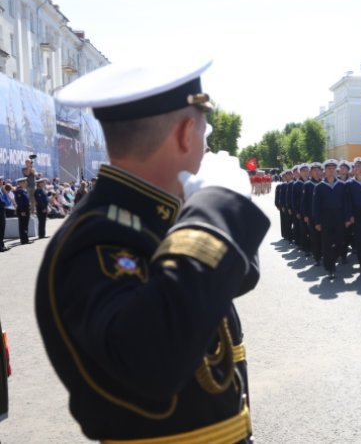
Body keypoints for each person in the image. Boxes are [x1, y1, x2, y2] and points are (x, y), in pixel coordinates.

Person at [35, 58, 270, 441]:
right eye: (204, 132)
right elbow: (154, 357)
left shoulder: (156, 216)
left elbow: (236, 275)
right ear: (184, 133)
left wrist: (215, 209)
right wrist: (218, 204)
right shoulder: (97, 237)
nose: (207, 146)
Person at [313, 160, 351, 278]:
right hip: (326, 219)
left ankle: (332, 260)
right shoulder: (319, 187)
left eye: (333, 168)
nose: (331, 170)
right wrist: (317, 221)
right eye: (328, 168)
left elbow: (346, 203)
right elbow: (316, 206)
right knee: (327, 244)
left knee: (340, 242)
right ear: (325, 170)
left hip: (339, 219)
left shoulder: (341, 185)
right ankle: (330, 267)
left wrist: (348, 218)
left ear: (336, 170)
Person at [13, 178, 30, 244]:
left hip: (26, 209)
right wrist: (22, 211)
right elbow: (19, 202)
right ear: (20, 183)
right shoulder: (19, 191)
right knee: (23, 225)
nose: (26, 183)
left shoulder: (23, 190)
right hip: (22, 210)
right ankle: (24, 240)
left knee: (25, 225)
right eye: (24, 182)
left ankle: (26, 239)